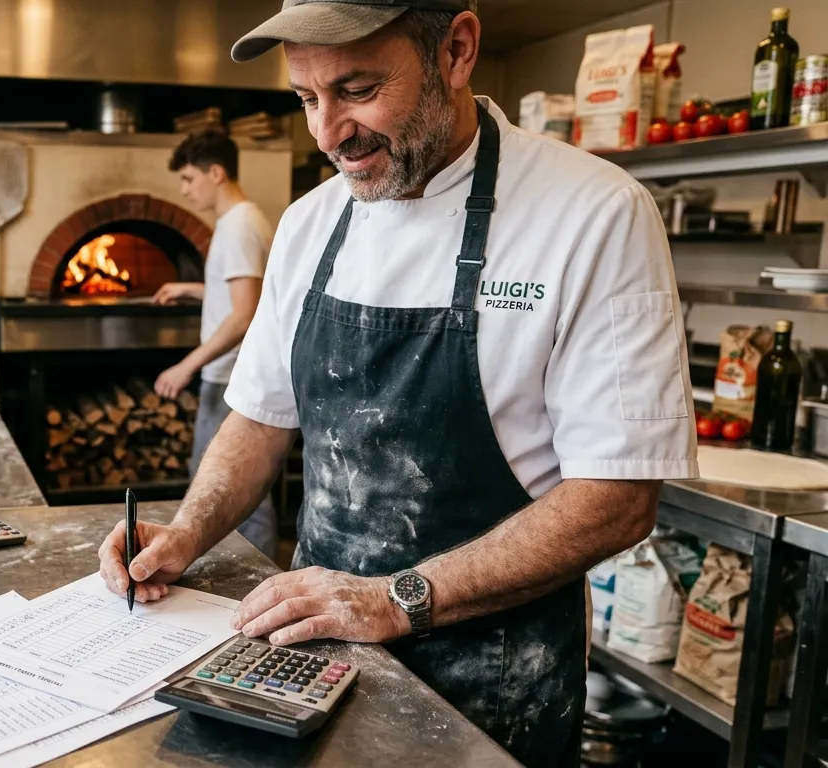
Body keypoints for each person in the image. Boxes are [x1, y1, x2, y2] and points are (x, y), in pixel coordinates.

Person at [98, 1, 697, 765]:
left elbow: (616, 500)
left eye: (355, 89)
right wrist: (187, 532)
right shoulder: (310, 223)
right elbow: (259, 416)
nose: (327, 132)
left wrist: (392, 600)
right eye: (307, 99)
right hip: (314, 661)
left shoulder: (594, 213)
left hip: (494, 684)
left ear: (456, 49)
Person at [152, 130, 279, 559]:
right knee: (225, 486)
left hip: (229, 376)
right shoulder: (242, 220)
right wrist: (189, 288)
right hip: (230, 373)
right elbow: (240, 295)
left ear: (216, 172)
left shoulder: (239, 227)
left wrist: (186, 365)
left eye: (188, 179)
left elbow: (244, 314)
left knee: (231, 488)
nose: (184, 190)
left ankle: (251, 585)